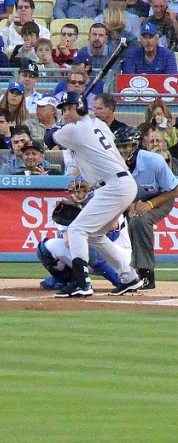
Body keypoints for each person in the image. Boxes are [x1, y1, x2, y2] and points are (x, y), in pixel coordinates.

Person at [43, 92, 146, 297]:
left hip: (114, 186)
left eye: (69, 108)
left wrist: (55, 126)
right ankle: (129, 278)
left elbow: (48, 139)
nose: (66, 113)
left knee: (77, 230)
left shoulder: (72, 130)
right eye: (63, 109)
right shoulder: (99, 124)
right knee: (96, 235)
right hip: (117, 184)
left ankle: (82, 282)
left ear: (80, 108)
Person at [115, 126, 178, 291]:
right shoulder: (113, 163)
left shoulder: (154, 161)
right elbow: (108, 188)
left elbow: (173, 190)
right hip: (128, 199)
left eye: (127, 145)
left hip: (160, 198)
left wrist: (149, 204)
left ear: (136, 145)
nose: (124, 150)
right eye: (120, 146)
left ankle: (145, 273)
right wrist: (128, 205)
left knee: (139, 221)